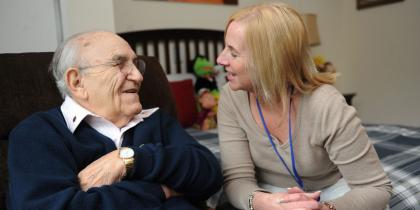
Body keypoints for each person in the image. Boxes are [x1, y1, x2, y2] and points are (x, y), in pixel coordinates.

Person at [7, 31, 223, 210]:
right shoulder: (38, 133)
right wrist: (160, 191)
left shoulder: (157, 121)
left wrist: (129, 159)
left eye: (137, 64)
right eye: (119, 64)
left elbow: (208, 175)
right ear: (77, 81)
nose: (138, 76)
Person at [216, 3, 392, 210]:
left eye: (233, 53)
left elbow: (376, 189)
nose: (220, 59)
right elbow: (237, 179)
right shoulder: (230, 96)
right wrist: (263, 202)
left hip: (332, 190)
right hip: (266, 194)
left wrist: (324, 209)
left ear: (269, 60)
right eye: (225, 47)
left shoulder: (325, 104)